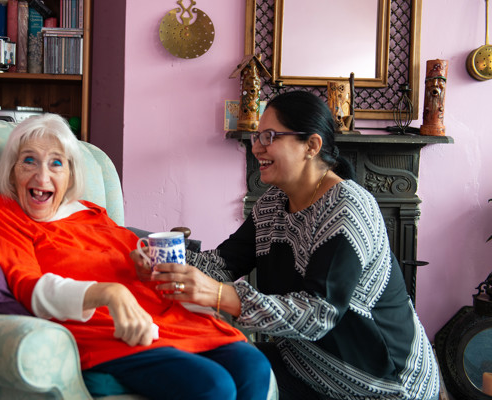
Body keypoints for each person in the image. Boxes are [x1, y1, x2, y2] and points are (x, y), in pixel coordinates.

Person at [133, 91, 441, 400]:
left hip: (381, 383)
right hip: (306, 362)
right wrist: (163, 261)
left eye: (269, 137)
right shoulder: (274, 204)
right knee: (206, 366)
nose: (256, 148)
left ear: (311, 145)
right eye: (256, 137)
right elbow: (222, 263)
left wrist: (220, 296)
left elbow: (319, 314)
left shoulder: (347, 208)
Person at [0, 113, 272, 400]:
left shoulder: (90, 213)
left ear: (70, 174)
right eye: (28, 161)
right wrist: (109, 293)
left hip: (165, 317)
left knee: (253, 366)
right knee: (214, 386)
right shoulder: (1, 213)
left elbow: (135, 253)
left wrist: (144, 266)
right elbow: (27, 286)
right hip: (109, 330)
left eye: (56, 163)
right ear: (11, 170)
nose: (42, 175)